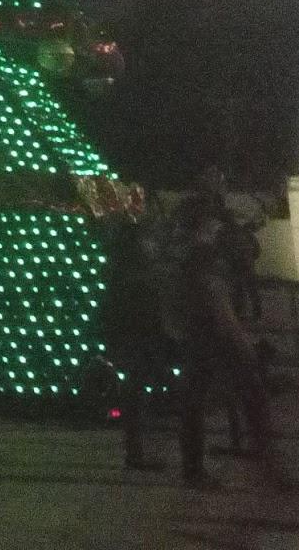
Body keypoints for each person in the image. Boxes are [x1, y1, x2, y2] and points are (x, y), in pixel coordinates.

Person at [172, 194, 281, 490]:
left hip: (208, 335)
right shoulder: (200, 257)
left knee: (221, 397)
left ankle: (259, 462)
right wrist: (236, 334)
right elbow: (214, 297)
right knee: (236, 396)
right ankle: (260, 464)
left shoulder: (200, 255)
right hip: (210, 335)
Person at [99, 213, 168, 473]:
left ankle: (136, 450)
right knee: (135, 393)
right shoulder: (135, 277)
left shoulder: (118, 272)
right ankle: (136, 453)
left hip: (128, 338)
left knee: (134, 392)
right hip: (137, 338)